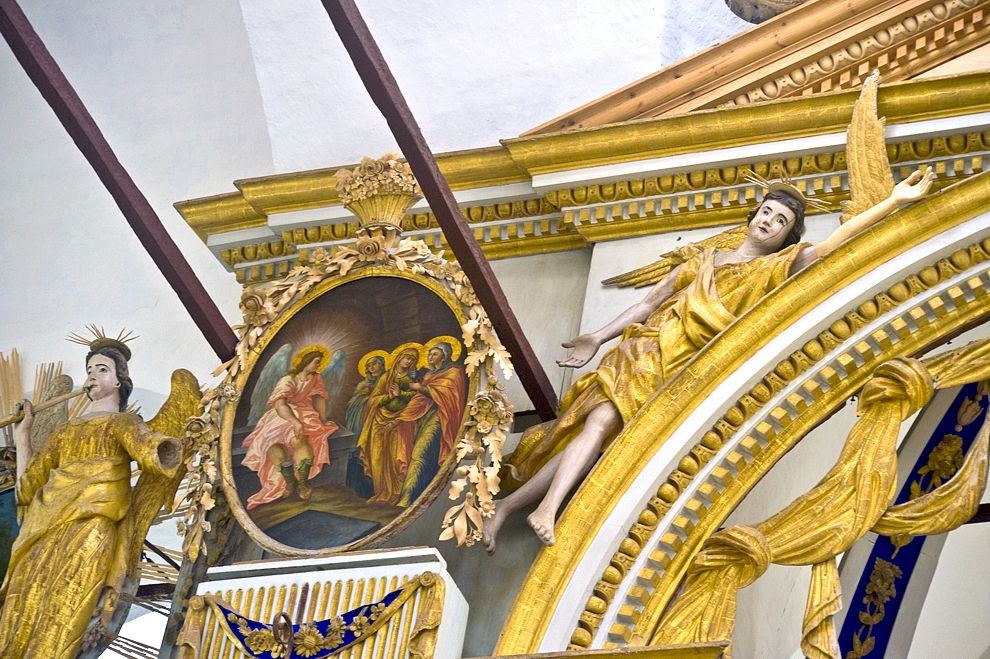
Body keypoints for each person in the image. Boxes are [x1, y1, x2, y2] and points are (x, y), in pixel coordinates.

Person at [483, 168, 935, 552]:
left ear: (786, 237)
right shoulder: (703, 259)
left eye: (780, 221)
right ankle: (544, 508)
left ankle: (512, 504)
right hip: (644, 351)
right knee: (598, 426)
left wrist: (893, 200)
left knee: (596, 433)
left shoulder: (770, 270)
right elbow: (647, 305)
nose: (769, 222)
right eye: (765, 213)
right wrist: (597, 338)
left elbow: (834, 244)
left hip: (679, 370)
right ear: (752, 217)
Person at [0, 338, 184, 658]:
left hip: (93, 523)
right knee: (24, 602)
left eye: (102, 369)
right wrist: (23, 434)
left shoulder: (123, 423)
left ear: (119, 381)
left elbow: (147, 446)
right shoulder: (63, 433)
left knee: (68, 605)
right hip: (46, 525)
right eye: (90, 370)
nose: (93, 376)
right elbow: (28, 486)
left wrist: (162, 448)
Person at [241, 348, 338, 509]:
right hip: (283, 415)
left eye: (320, 363)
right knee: (274, 446)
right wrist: (295, 422)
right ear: (307, 362)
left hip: (306, 413)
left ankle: (302, 483)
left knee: (299, 440)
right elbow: (280, 405)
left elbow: (320, 397)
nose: (318, 366)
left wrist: (322, 419)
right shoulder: (288, 379)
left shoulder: (316, 378)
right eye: (316, 362)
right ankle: (289, 481)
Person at [396, 341, 467, 506]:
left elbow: (448, 396)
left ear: (445, 355)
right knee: (416, 453)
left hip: (441, 417)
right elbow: (419, 397)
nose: (430, 356)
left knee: (419, 454)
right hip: (423, 416)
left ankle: (408, 499)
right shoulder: (429, 375)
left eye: (434, 353)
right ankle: (412, 496)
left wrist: (420, 388)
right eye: (429, 354)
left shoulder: (453, 372)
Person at [356, 347, 422, 505]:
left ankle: (396, 493)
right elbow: (373, 400)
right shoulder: (386, 377)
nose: (408, 361)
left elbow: (417, 398)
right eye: (406, 357)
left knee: (395, 457)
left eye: (412, 359)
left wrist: (402, 395)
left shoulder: (411, 381)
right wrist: (388, 397)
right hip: (380, 419)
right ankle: (381, 493)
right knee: (377, 457)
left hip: (399, 422)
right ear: (399, 358)